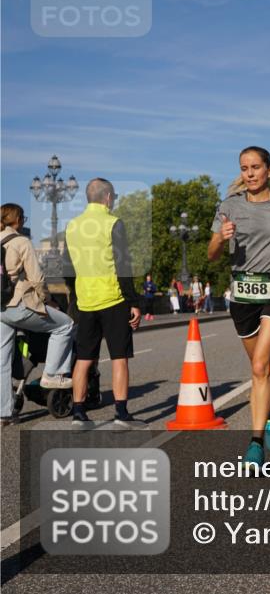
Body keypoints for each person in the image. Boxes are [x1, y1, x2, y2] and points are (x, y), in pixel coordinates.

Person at [208, 146, 270, 468]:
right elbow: (211, 255)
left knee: (258, 367)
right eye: (244, 168)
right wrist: (221, 239)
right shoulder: (229, 207)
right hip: (243, 293)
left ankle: (254, 445)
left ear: (269, 170)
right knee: (260, 367)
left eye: (255, 167)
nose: (249, 173)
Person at [64, 179, 143, 428]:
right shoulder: (113, 223)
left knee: (84, 358)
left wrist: (76, 295)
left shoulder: (72, 226)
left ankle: (78, 414)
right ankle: (121, 414)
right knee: (119, 357)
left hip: (86, 301)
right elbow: (123, 265)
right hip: (113, 298)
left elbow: (68, 268)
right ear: (108, 197)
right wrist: (133, 301)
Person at [1, 203, 77, 424]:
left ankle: (3, 413)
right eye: (23, 217)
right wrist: (48, 301)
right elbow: (37, 279)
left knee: (2, 361)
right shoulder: (21, 241)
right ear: (17, 220)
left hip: (0, 309)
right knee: (65, 325)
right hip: (18, 306)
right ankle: (52, 375)